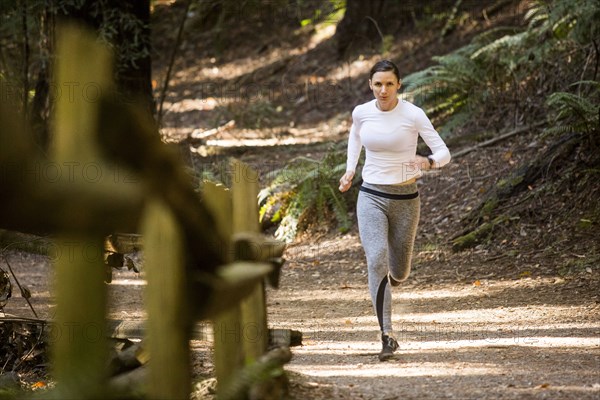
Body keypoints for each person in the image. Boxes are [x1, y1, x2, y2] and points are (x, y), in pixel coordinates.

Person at [339, 60, 451, 361]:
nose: (383, 90)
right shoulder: (362, 112)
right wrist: (351, 170)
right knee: (376, 260)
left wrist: (427, 162)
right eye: (378, 84)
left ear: (398, 84)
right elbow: (356, 136)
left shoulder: (413, 115)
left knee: (399, 271)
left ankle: (394, 280)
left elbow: (444, 153)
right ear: (370, 85)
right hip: (371, 195)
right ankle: (387, 335)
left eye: (389, 84)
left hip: (406, 199)